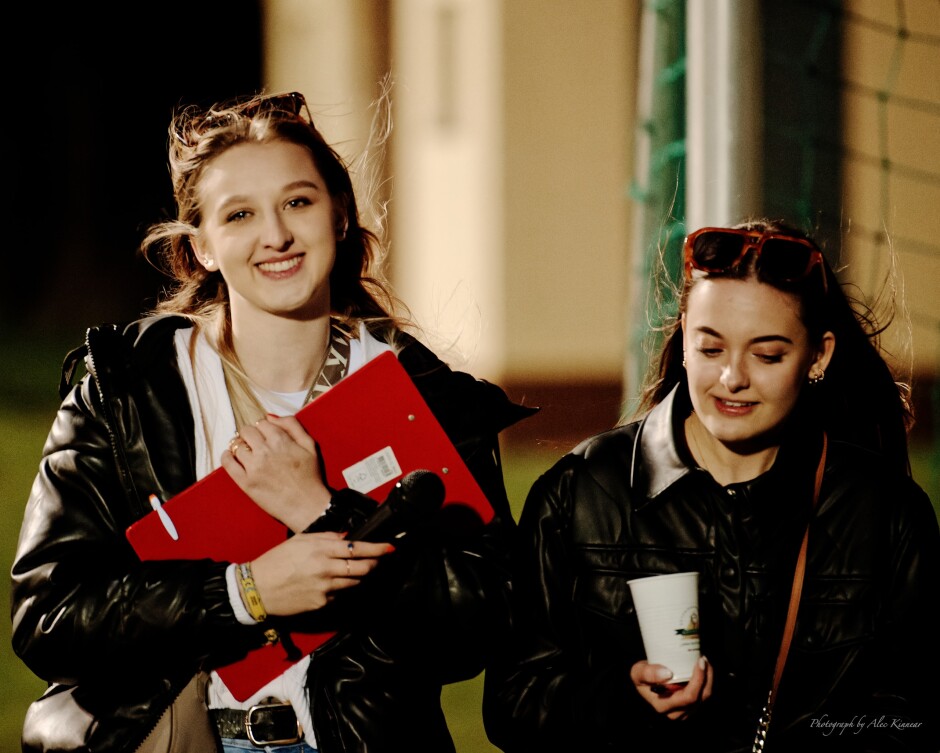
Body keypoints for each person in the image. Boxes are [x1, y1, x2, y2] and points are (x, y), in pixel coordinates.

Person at [10, 90, 535, 753]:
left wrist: (321, 508)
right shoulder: (124, 393)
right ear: (200, 247)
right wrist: (244, 591)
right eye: (239, 214)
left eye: (298, 201)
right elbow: (48, 614)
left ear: (340, 215)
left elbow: (485, 623)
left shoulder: (424, 395)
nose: (276, 234)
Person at [482, 219, 939, 752]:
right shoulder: (580, 492)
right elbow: (513, 704)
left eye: (767, 355)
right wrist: (622, 702)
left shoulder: (885, 510)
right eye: (711, 349)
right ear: (683, 337)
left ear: (819, 355)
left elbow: (914, 712)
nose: (732, 379)